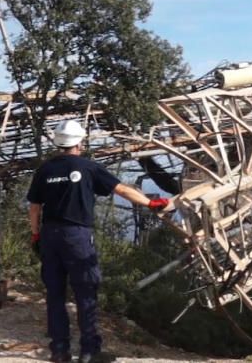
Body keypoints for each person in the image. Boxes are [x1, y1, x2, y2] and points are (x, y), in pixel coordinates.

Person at [27, 119, 171, 363]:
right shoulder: (88, 168)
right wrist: (150, 203)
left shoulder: (45, 170)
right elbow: (123, 190)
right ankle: (89, 352)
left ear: (58, 143)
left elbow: (34, 207)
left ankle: (60, 351)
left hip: (50, 235)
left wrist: (36, 235)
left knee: (55, 294)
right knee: (86, 292)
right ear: (79, 143)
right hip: (77, 236)